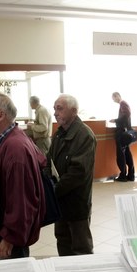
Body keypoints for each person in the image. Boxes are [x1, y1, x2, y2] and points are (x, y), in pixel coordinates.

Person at [0, 92, 46, 260]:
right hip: (3, 223)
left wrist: (9, 237)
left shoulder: (15, 149)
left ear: (0, 115)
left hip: (11, 234)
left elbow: (21, 200)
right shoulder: (5, 139)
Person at [47, 94, 97, 256]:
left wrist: (53, 191)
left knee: (81, 248)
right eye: (54, 108)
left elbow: (78, 173)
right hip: (60, 202)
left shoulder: (84, 135)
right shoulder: (59, 134)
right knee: (63, 242)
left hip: (76, 203)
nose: (55, 113)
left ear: (74, 111)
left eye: (59, 108)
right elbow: (49, 161)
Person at [109, 92, 135, 182]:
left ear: (117, 96)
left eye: (113, 98)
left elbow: (126, 114)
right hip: (126, 132)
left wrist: (115, 120)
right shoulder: (124, 103)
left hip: (121, 132)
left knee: (121, 154)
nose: (113, 100)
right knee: (127, 153)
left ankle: (123, 175)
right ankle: (131, 175)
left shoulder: (123, 103)